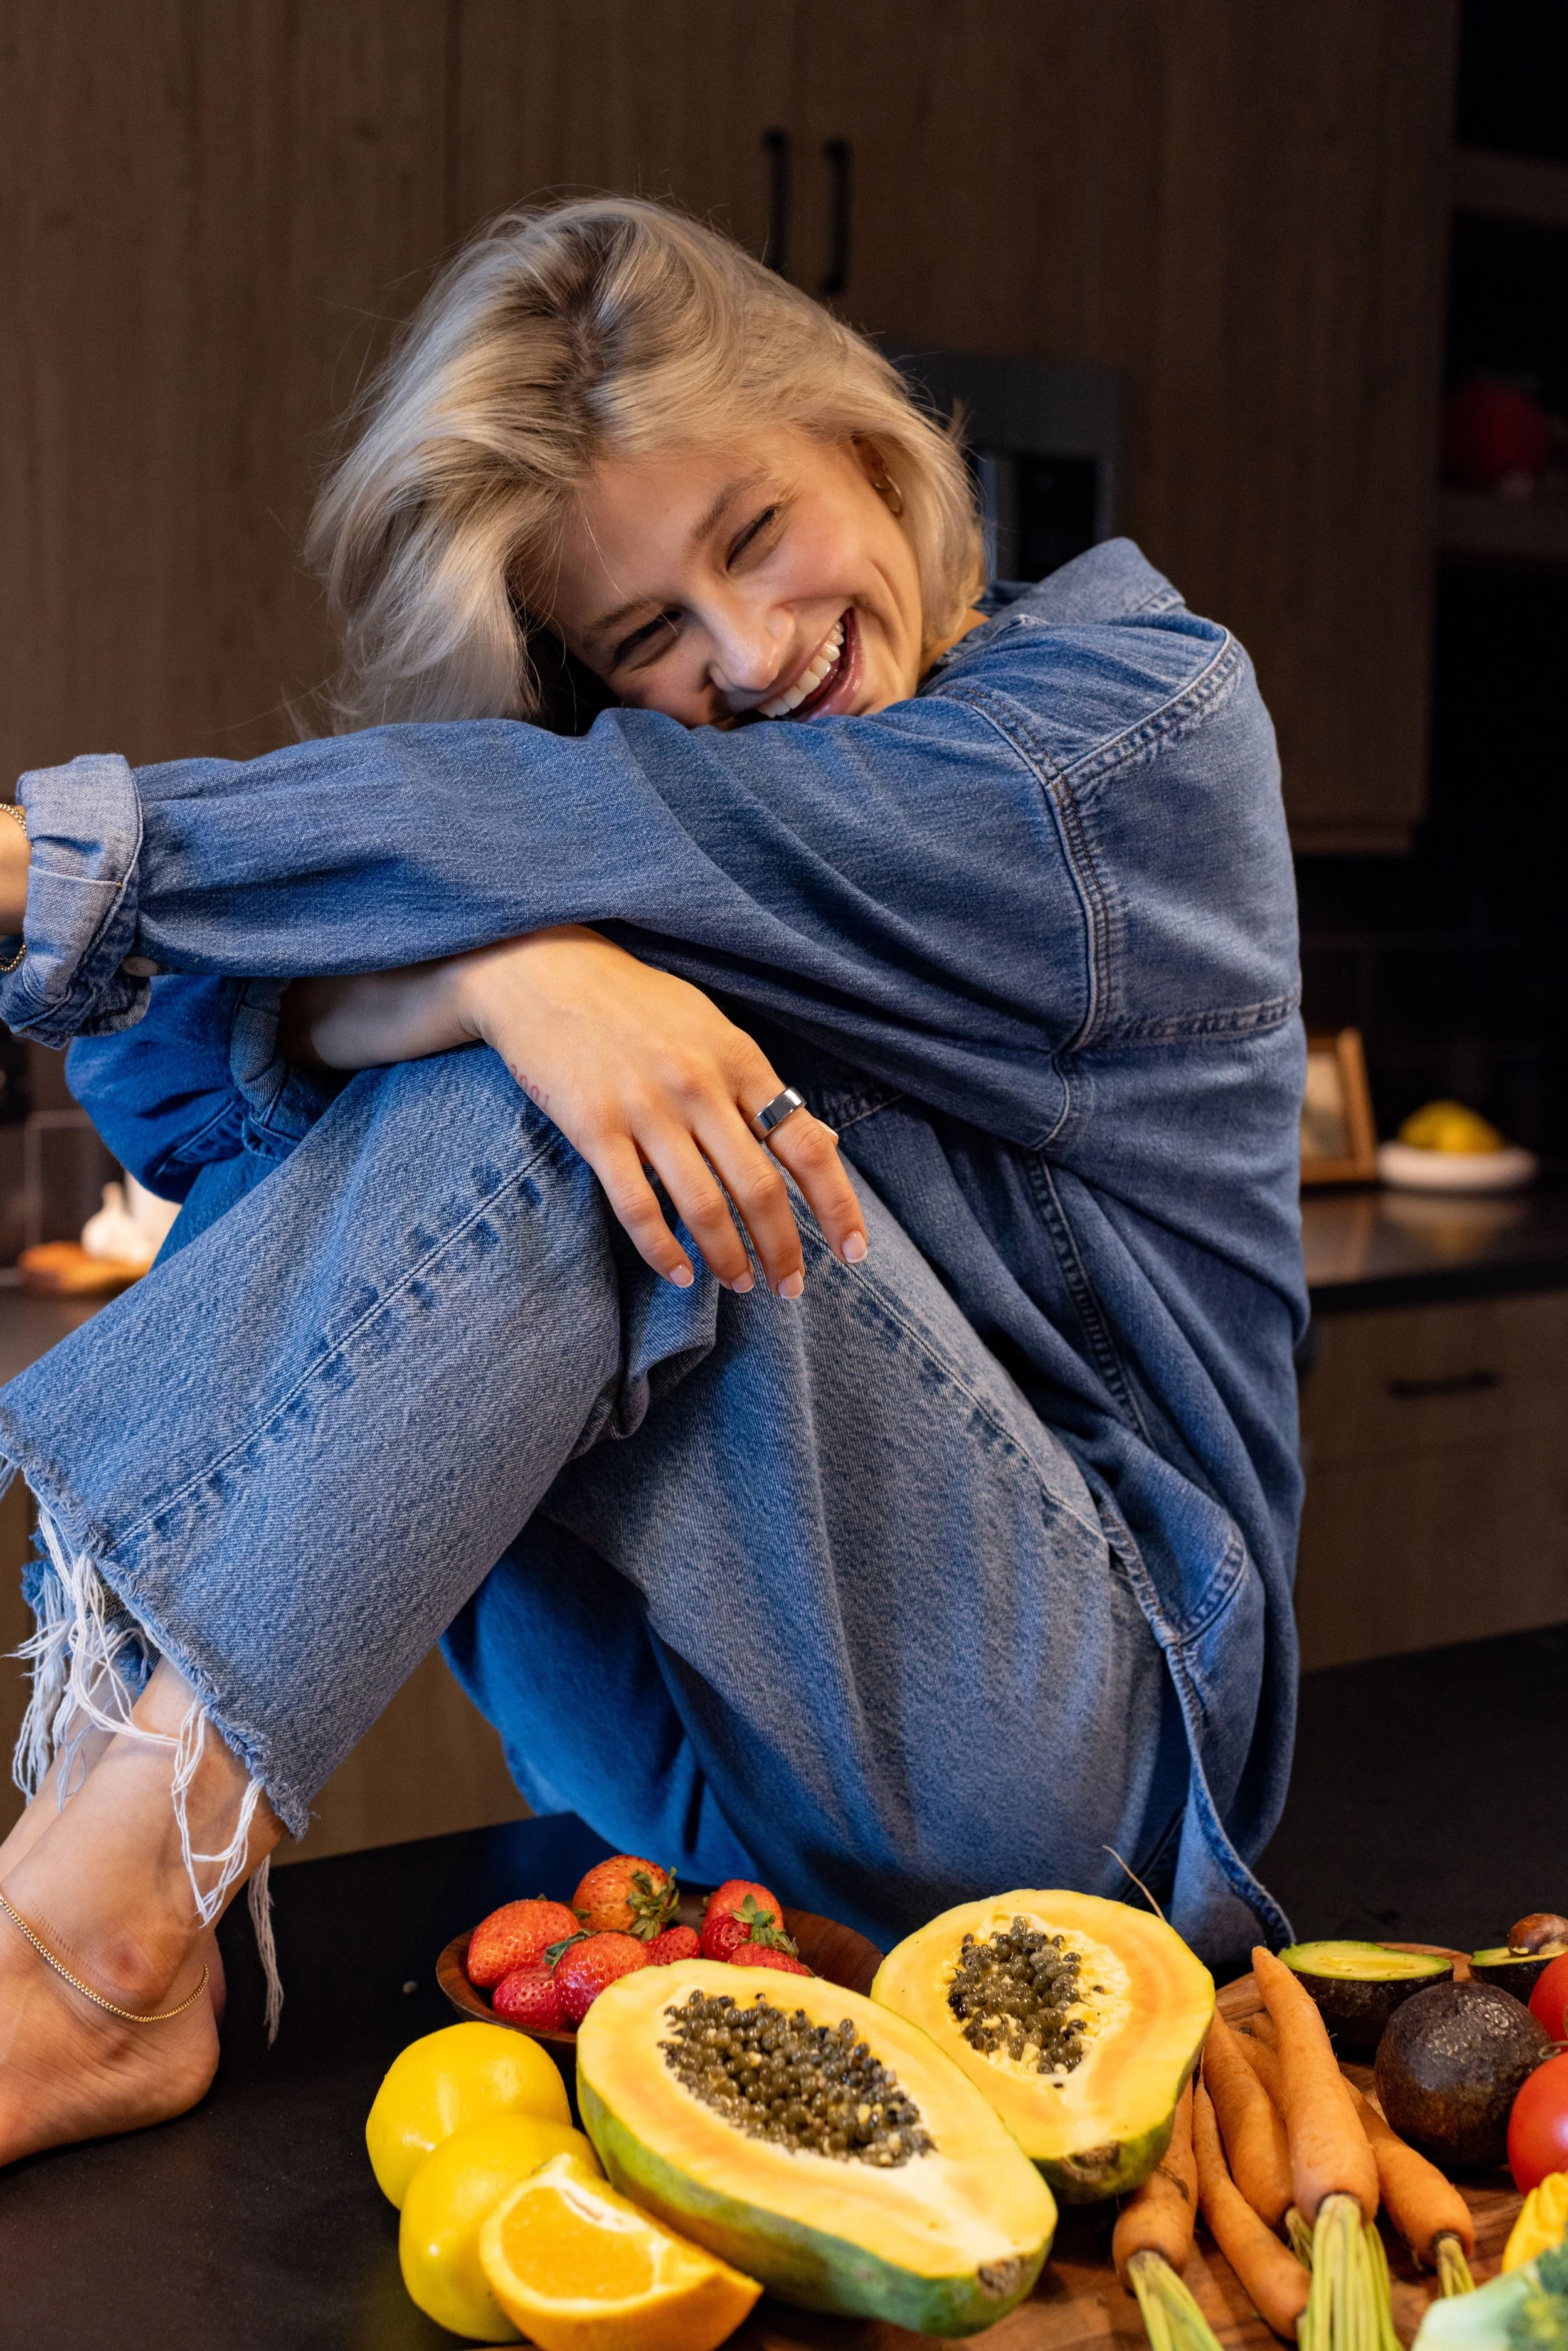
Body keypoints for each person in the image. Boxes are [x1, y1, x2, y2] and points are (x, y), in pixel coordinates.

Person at [0, 197, 1305, 2170]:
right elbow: (159, 1071)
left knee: (574, 1117)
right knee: (549, 1063)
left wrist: (47, 860)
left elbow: (589, 826)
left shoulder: (1120, 741)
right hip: (678, 1780)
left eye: (753, 533)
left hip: (1086, 1775)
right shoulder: (603, 857)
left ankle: (84, 1955)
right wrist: (503, 969)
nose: (751, 650)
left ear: (869, 446)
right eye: (645, 640)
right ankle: (76, 1911)